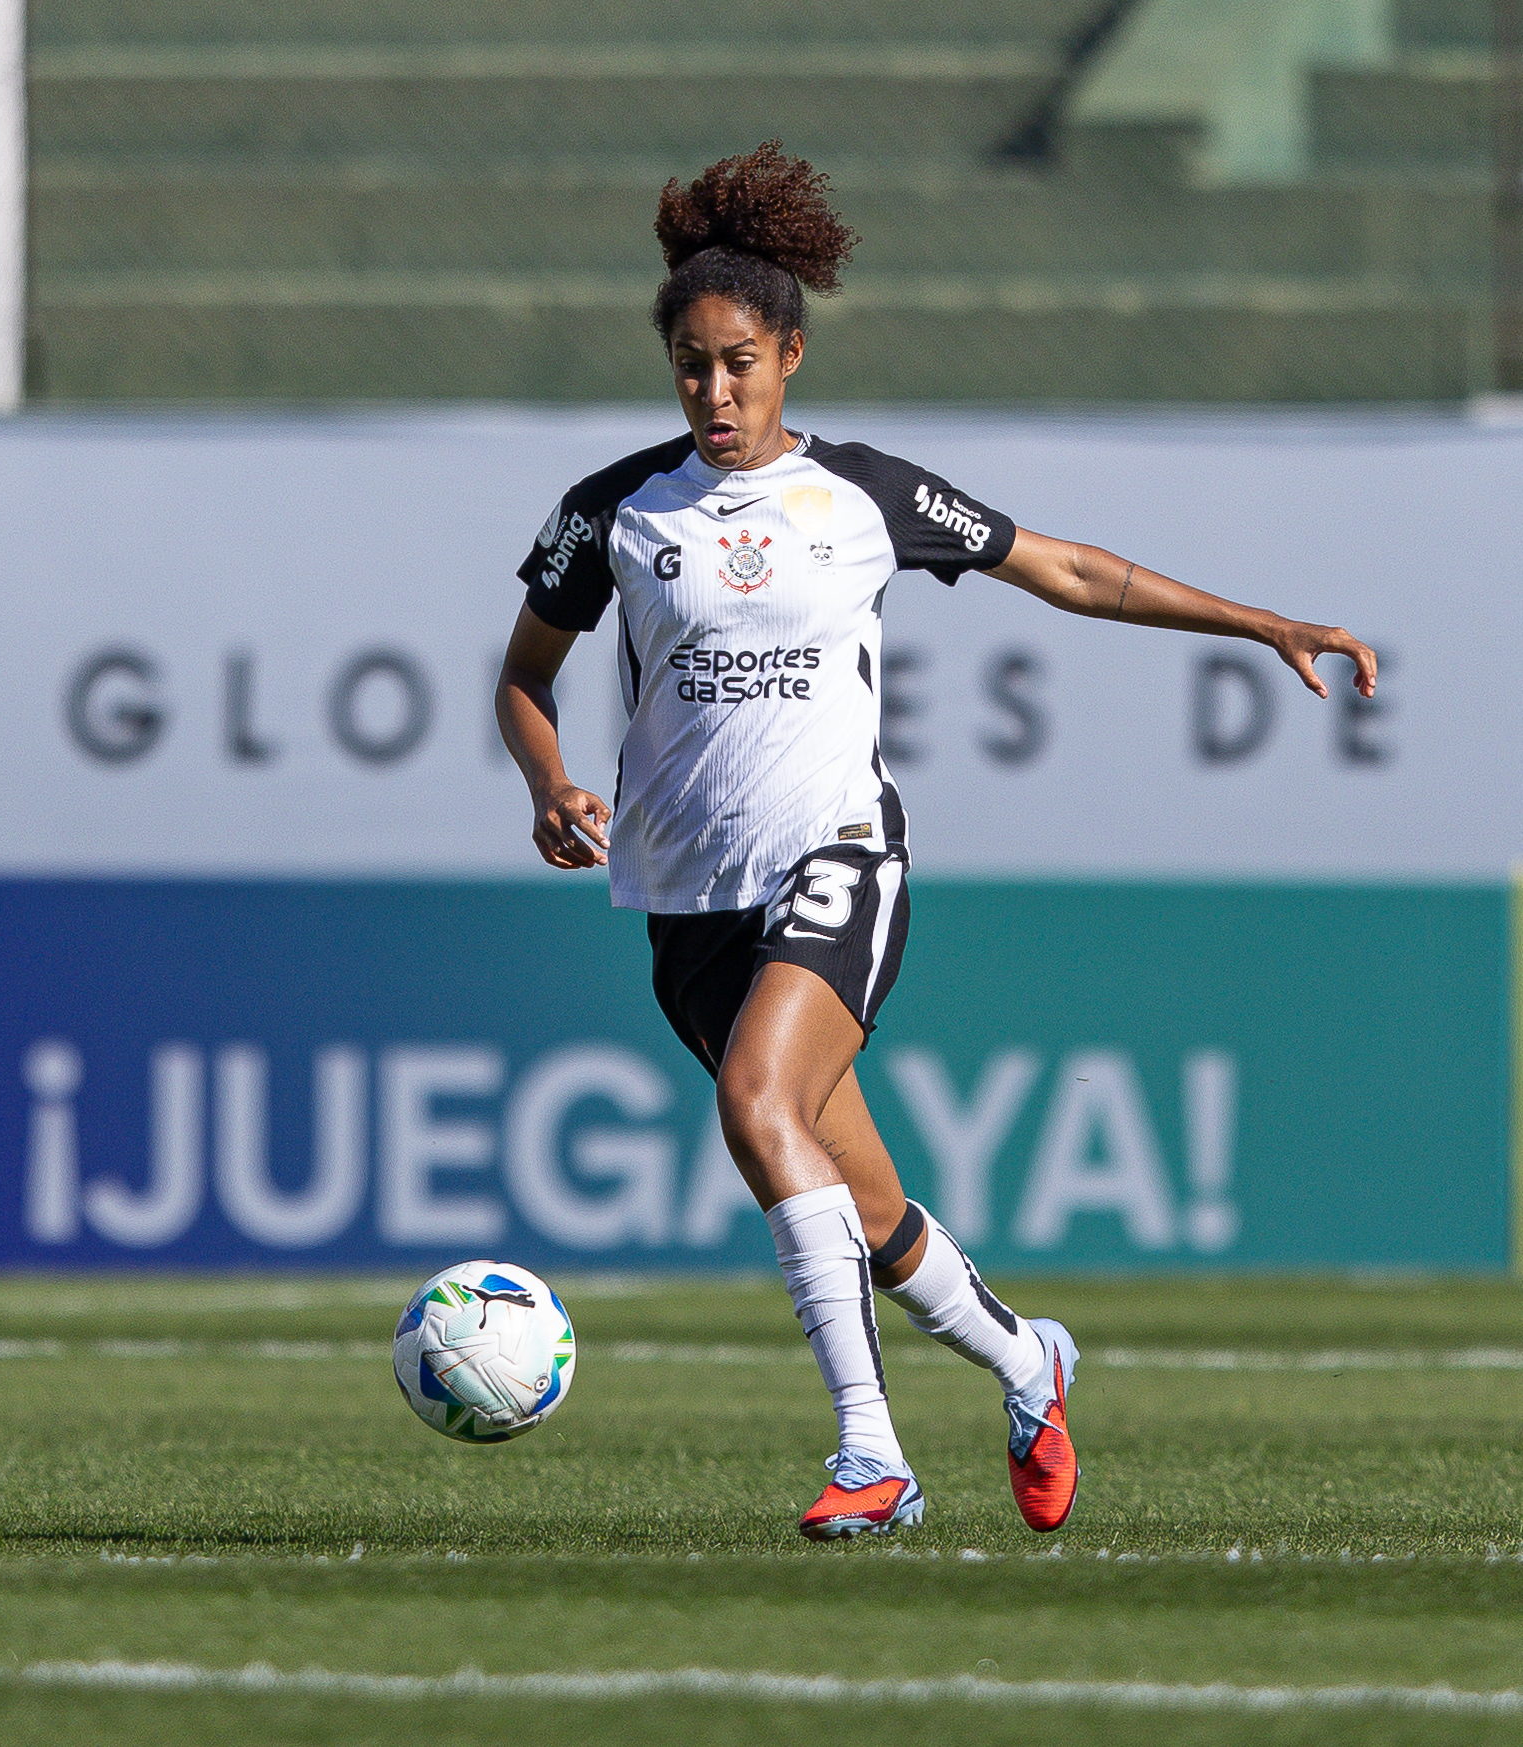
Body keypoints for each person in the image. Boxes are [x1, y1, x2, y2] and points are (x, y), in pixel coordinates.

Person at [494, 143, 1376, 1541]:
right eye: (689, 367)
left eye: (738, 364)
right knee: (870, 1207)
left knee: (758, 1107)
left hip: (838, 857)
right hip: (686, 900)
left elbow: (1067, 568)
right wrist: (547, 781)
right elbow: (523, 676)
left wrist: (1260, 620)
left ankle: (873, 1451)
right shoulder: (612, 513)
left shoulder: (864, 497)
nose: (714, 392)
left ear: (790, 356)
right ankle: (1029, 1362)